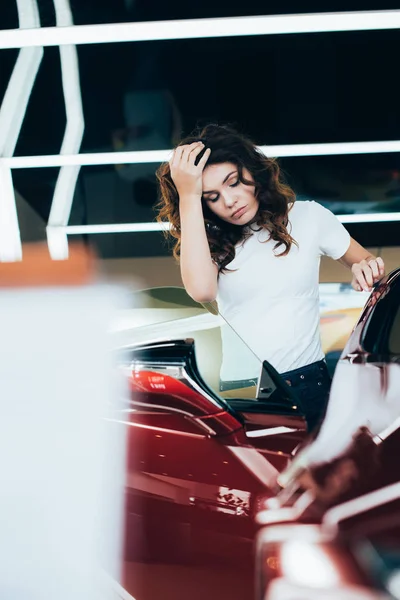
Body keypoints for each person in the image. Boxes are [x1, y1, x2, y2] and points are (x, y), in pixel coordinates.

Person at [155, 124, 385, 432]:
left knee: (322, 479)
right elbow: (202, 290)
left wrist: (365, 267)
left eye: (234, 182)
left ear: (252, 172)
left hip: (306, 383)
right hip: (239, 392)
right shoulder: (209, 243)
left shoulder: (308, 217)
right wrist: (187, 194)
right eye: (211, 197)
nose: (230, 200)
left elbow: (366, 262)